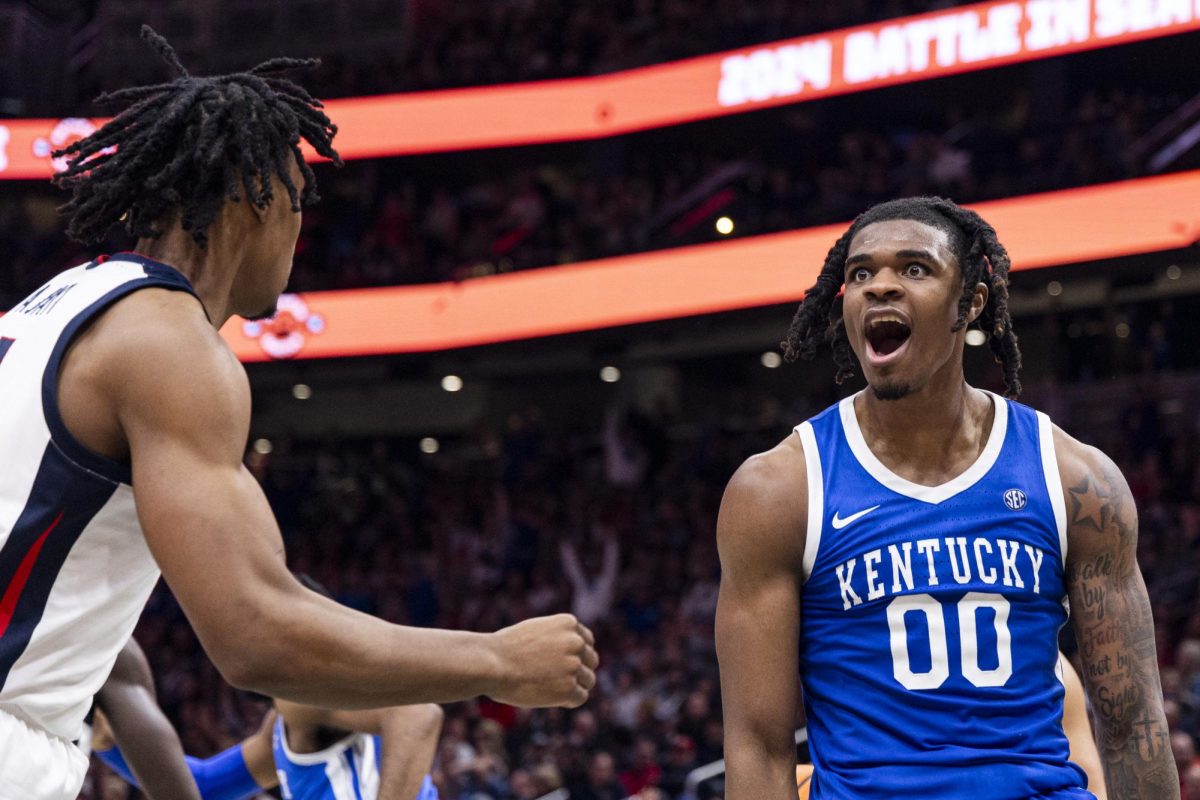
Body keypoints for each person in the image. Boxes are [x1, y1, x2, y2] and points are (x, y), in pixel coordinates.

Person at [0, 27, 596, 799]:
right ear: (259, 196)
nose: (301, 230)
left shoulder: (60, 303)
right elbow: (254, 636)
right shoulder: (169, 345)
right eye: (301, 201)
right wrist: (498, 660)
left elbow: (271, 592)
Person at [716, 196, 1176, 799]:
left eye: (914, 269)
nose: (880, 287)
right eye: (861, 273)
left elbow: (1131, 724)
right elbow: (759, 744)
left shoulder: (1074, 478)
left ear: (971, 303)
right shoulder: (778, 489)